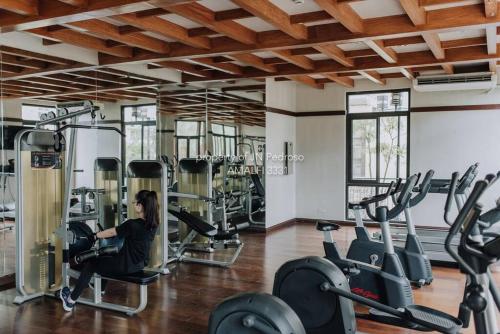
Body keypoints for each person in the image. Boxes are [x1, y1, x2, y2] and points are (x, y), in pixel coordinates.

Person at [60, 190, 160, 312]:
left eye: (135, 202)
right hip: (139, 264)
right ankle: (100, 289)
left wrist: (95, 235)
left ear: (140, 205)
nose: (133, 204)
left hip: (125, 266)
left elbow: (113, 232)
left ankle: (70, 300)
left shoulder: (132, 224)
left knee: (91, 264)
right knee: (107, 256)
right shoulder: (153, 225)